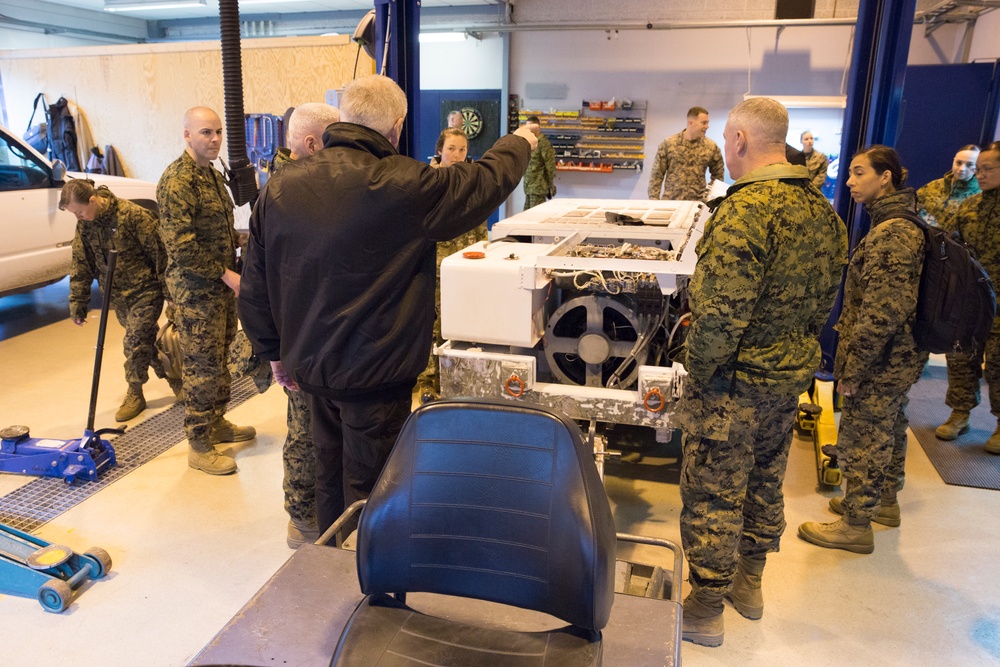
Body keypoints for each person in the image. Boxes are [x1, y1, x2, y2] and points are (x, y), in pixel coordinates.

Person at [238, 75, 538, 537]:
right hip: (378, 373)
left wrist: (272, 350)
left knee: (328, 474)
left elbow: (255, 284)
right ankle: (368, 586)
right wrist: (518, 141)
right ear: (396, 127)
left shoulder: (279, 188)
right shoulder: (407, 184)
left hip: (311, 368)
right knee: (375, 488)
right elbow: (486, 180)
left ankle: (326, 558)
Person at [677, 97, 847, 647]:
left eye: (727, 141)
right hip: (787, 379)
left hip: (733, 384)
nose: (725, 151)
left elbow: (721, 317)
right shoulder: (824, 213)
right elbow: (823, 302)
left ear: (740, 140)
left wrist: (695, 370)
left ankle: (705, 607)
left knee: (713, 491)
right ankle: (749, 586)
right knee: (765, 482)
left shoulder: (746, 210)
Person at [798, 146, 928, 554]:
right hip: (899, 354)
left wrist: (853, 367)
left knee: (865, 433)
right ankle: (884, 503)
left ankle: (856, 524)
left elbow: (882, 312)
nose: (850, 181)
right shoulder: (896, 222)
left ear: (885, 176)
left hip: (882, 356)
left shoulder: (893, 232)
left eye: (858, 173)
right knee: (890, 424)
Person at [157, 106, 255, 476]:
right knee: (200, 368)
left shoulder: (210, 174)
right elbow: (180, 246)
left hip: (218, 289)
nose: (214, 140)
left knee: (219, 360)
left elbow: (217, 232)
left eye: (217, 132)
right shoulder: (178, 181)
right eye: (205, 133)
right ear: (187, 135)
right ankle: (198, 443)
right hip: (196, 293)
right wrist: (227, 275)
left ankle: (216, 422)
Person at [261, 102, 341, 547]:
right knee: (302, 429)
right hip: (297, 335)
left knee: (315, 426)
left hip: (314, 331)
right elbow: (267, 280)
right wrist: (275, 350)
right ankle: (302, 514)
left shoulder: (300, 187)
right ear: (311, 143)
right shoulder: (284, 193)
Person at [62, 179, 179, 422]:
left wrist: (171, 296)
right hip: (116, 296)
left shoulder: (134, 216)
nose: (78, 217)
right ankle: (175, 379)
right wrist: (78, 302)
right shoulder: (85, 225)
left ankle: (135, 392)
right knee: (146, 340)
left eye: (79, 211)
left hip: (145, 291)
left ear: (93, 200)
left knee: (134, 341)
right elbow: (81, 264)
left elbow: (161, 256)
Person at [933, 142, 1000, 453]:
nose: (979, 174)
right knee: (961, 358)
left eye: (987, 168)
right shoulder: (969, 208)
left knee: (998, 364)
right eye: (979, 168)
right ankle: (960, 413)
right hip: (971, 302)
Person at [416, 128, 487, 403]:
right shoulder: (427, 182)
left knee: (460, 324)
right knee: (431, 326)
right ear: (439, 150)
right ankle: (426, 382)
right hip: (433, 266)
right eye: (451, 149)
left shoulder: (473, 182)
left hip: (464, 267)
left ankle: (454, 380)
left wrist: (482, 251)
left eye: (462, 150)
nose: (457, 155)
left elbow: (481, 223)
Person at [647, 106, 725, 201]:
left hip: (696, 203)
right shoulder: (669, 144)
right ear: (691, 122)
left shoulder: (711, 147)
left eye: (707, 123)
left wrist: (709, 197)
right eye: (704, 123)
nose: (707, 126)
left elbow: (718, 175)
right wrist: (654, 198)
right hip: (671, 202)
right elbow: (657, 174)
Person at [916, 144, 980, 229]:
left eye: (969, 165)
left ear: (977, 167)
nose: (962, 169)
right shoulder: (933, 186)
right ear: (953, 161)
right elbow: (912, 205)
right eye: (959, 163)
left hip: (952, 241)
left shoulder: (978, 196)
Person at [522, 115, 555, 210]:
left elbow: (550, 166)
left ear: (538, 128)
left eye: (531, 127)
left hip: (538, 188)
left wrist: (550, 186)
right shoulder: (530, 143)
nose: (529, 130)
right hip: (529, 188)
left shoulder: (544, 144)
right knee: (525, 217)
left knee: (534, 218)